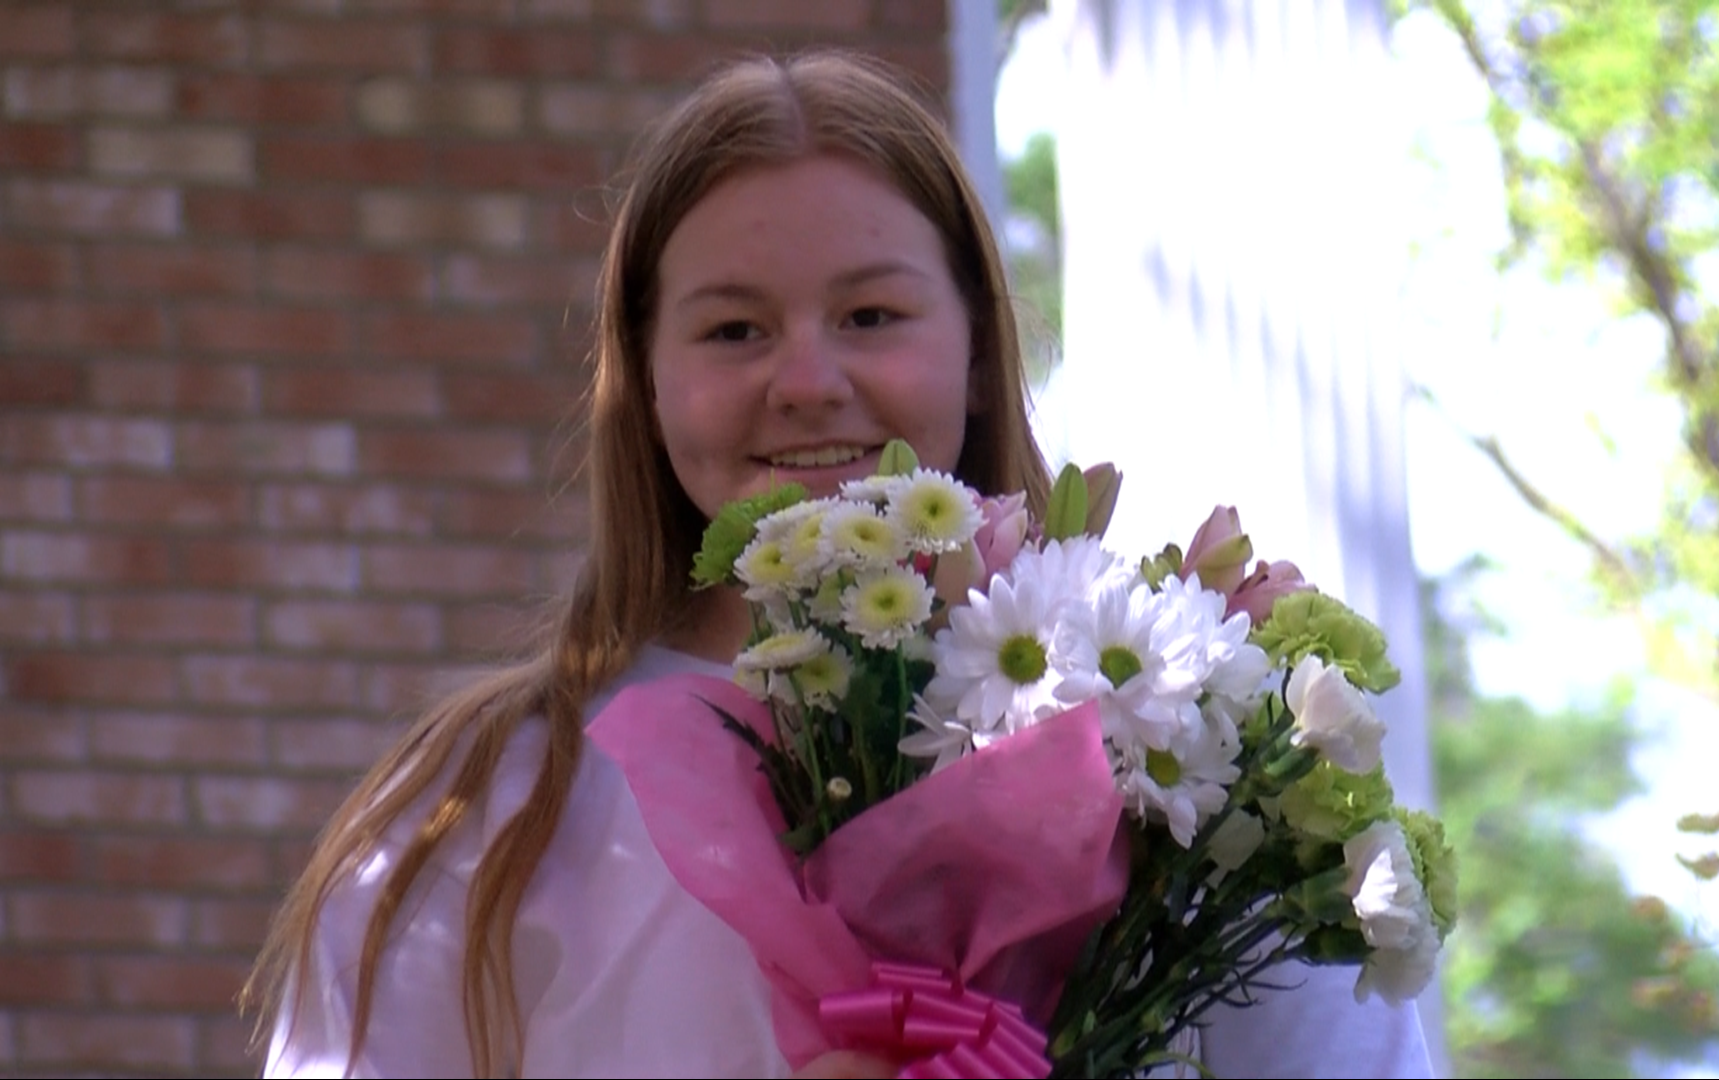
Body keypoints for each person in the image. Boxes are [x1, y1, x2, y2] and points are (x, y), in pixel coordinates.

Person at [244, 49, 1434, 1080]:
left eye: (870, 317)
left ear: (976, 351)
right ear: (644, 380)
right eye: (733, 330)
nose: (807, 380)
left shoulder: (1193, 762)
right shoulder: (483, 803)